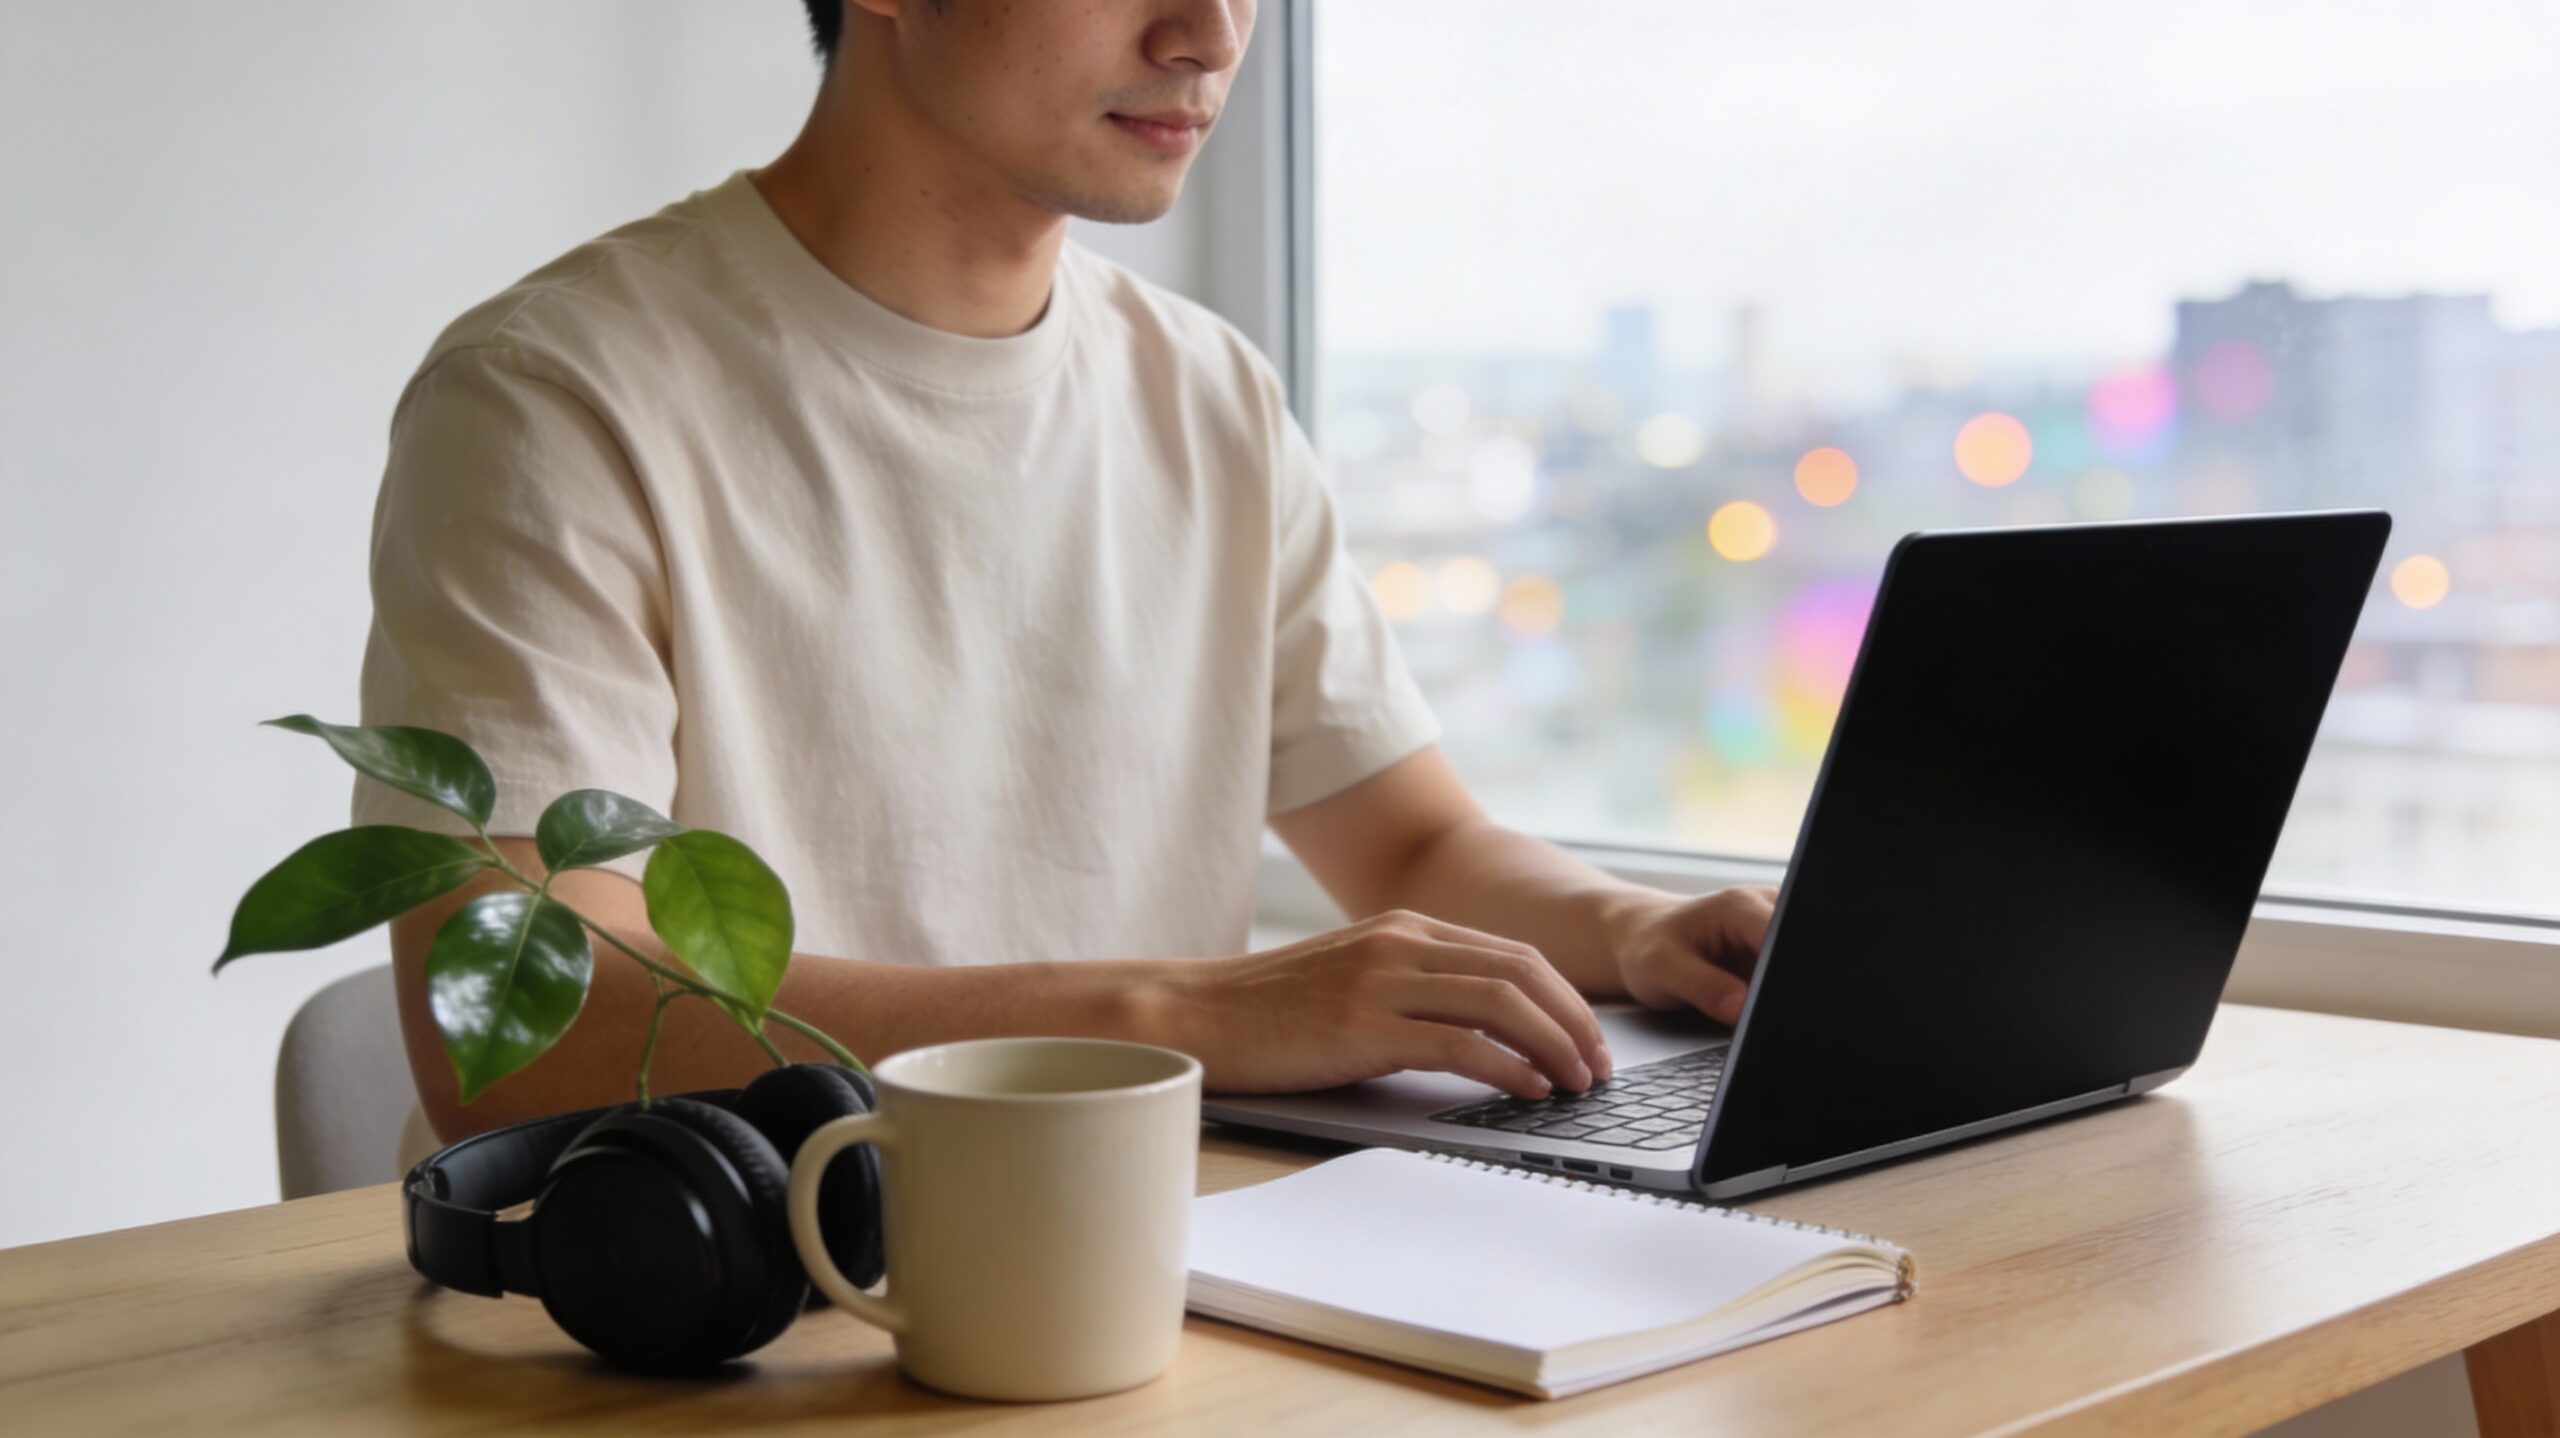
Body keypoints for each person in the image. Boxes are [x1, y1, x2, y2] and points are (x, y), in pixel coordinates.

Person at [362, 0, 1777, 1152]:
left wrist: (1632, 926)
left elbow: (1412, 848)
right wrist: (1187, 1010)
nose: (1212, 34)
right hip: (763, 1296)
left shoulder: (1209, 394)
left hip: (1172, 1274)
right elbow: (531, 1027)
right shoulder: (556, 397)